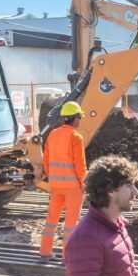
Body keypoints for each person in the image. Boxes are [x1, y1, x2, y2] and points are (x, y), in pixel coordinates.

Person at [40, 101, 87, 260]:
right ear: (75, 118)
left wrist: (52, 177)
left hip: (55, 185)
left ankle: (45, 251)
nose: (80, 121)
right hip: (72, 187)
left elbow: (46, 160)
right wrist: (83, 183)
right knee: (71, 224)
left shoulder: (53, 134)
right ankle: (68, 257)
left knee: (51, 220)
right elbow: (80, 165)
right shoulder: (76, 137)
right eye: (80, 117)